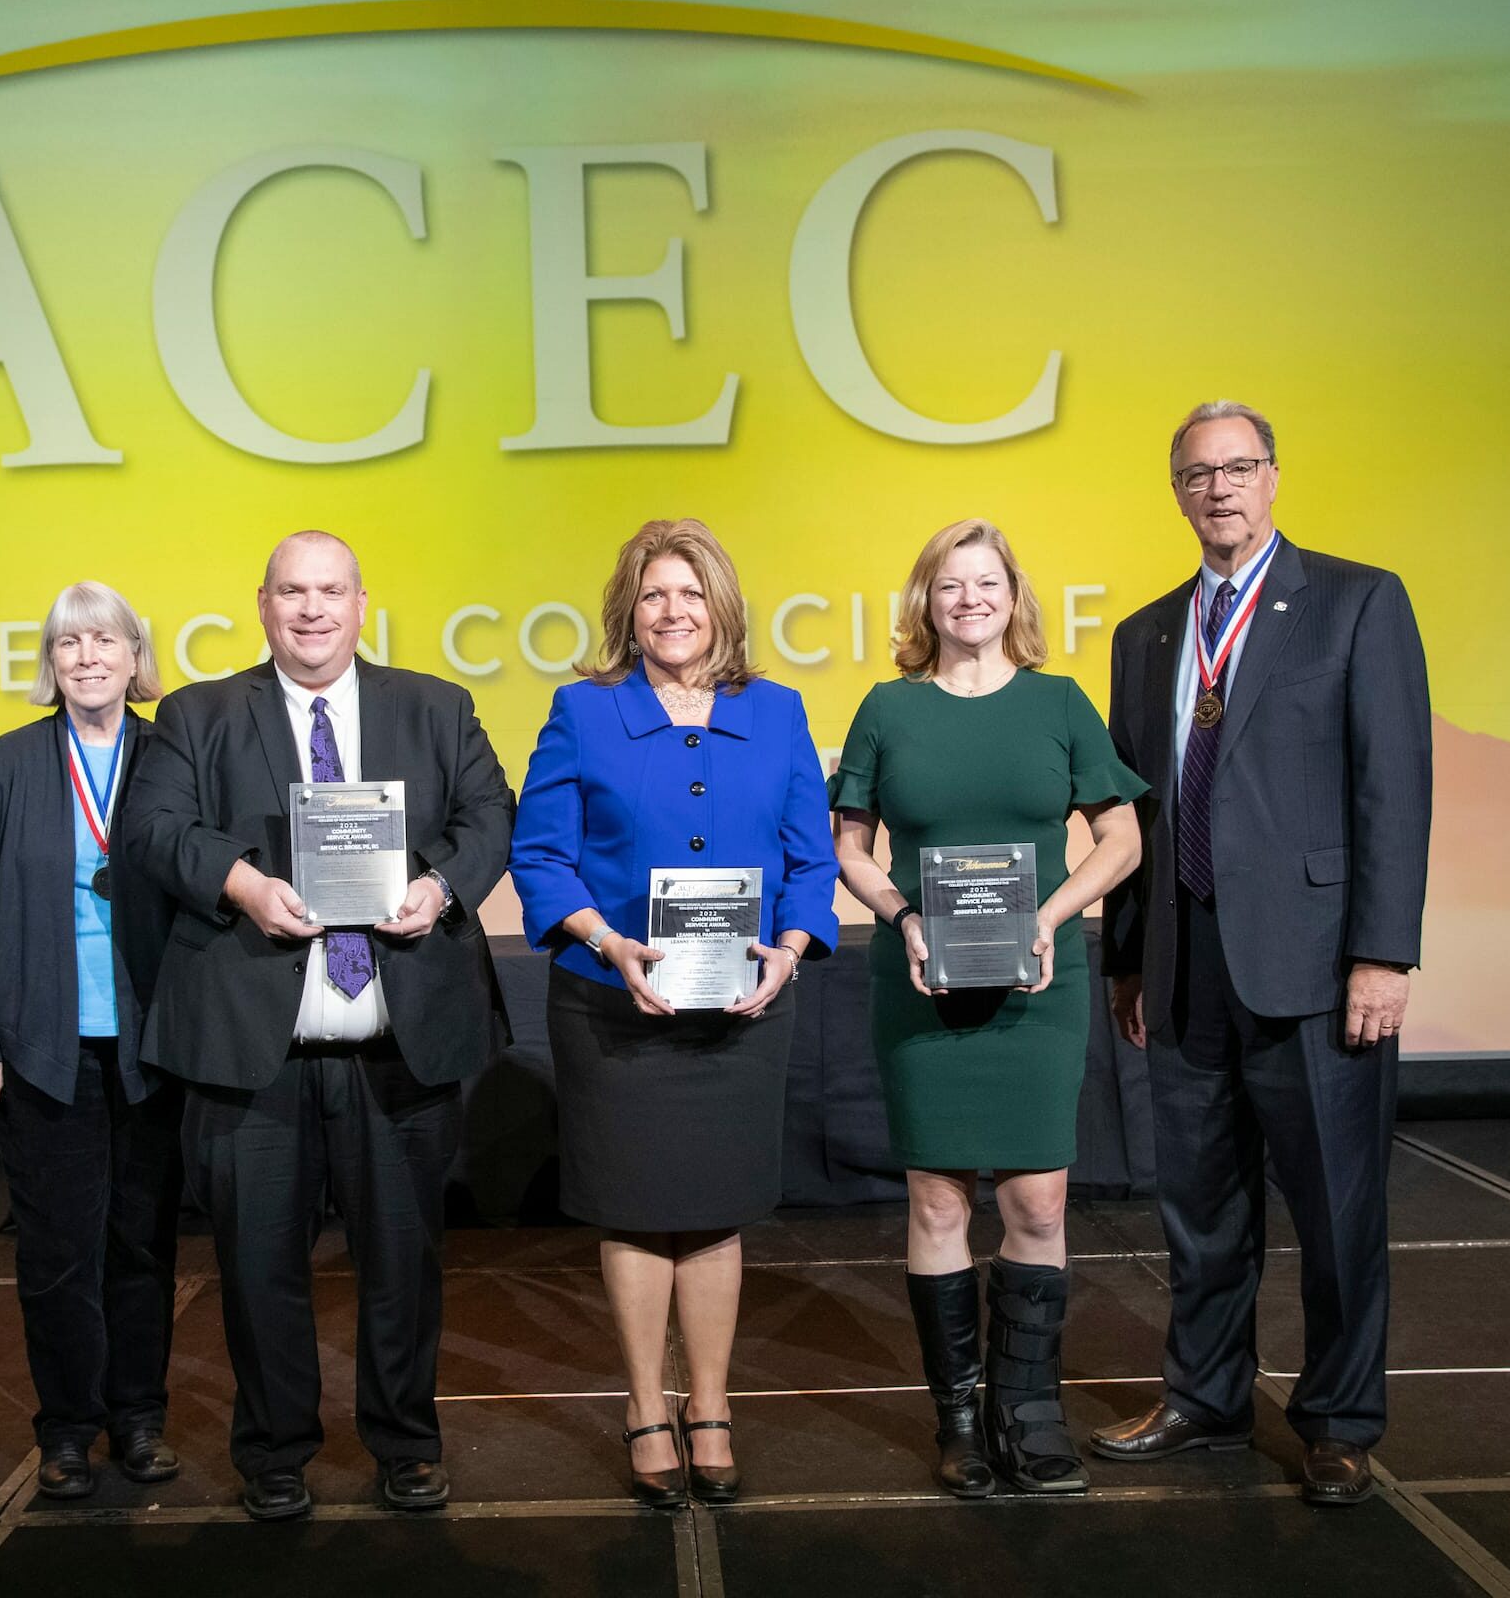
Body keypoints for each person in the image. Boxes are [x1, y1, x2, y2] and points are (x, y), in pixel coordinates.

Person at [120, 530, 513, 1522]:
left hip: (398, 1040)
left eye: (327, 591)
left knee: (402, 1266)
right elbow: (153, 830)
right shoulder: (197, 714)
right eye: (290, 591)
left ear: (359, 602)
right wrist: (242, 883)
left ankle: (405, 1443)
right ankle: (273, 1451)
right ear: (260, 604)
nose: (309, 609)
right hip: (255, 1053)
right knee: (256, 1271)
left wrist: (439, 888)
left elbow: (489, 816)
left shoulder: (434, 705)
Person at [1093, 401, 1431, 1506]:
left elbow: (1392, 789)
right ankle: (1204, 1396)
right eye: (1197, 473)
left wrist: (1381, 953)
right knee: (1199, 1211)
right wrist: (1130, 959)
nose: (1219, 488)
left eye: (1238, 467)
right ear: (1176, 491)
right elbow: (1133, 815)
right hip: (1186, 972)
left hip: (1316, 970)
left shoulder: (1354, 600)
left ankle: (1336, 1420)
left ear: (1273, 477)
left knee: (1335, 1213)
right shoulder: (1143, 633)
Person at [509, 518, 840, 1509]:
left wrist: (788, 952)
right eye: (654, 595)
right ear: (628, 610)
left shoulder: (777, 713)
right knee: (635, 1211)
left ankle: (711, 1406)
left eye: (690, 594)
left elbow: (810, 859)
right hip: (616, 1003)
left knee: (712, 1214)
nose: (672, 612)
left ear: (721, 608)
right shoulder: (581, 710)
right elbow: (541, 855)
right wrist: (606, 942)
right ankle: (645, 1406)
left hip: (740, 1008)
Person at [830, 519, 1146, 1497]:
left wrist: (1049, 916)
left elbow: (1120, 838)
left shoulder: (1058, 704)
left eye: (985, 582)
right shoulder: (886, 708)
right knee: (935, 1198)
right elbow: (848, 844)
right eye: (949, 584)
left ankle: (1030, 1411)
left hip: (1034, 986)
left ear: (1013, 597)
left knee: (1037, 1197)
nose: (968, 598)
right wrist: (901, 913)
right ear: (925, 600)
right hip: (921, 983)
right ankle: (959, 1421)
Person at [0, 581, 182, 1500]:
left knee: (143, 1245)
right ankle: (68, 1430)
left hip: (153, 1048)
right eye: (68, 642)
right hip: (43, 1050)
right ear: (51, 662)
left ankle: (139, 1417)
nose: (87, 656)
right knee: (57, 1253)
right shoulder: (10, 763)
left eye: (105, 640)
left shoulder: (170, 755)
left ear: (135, 656)